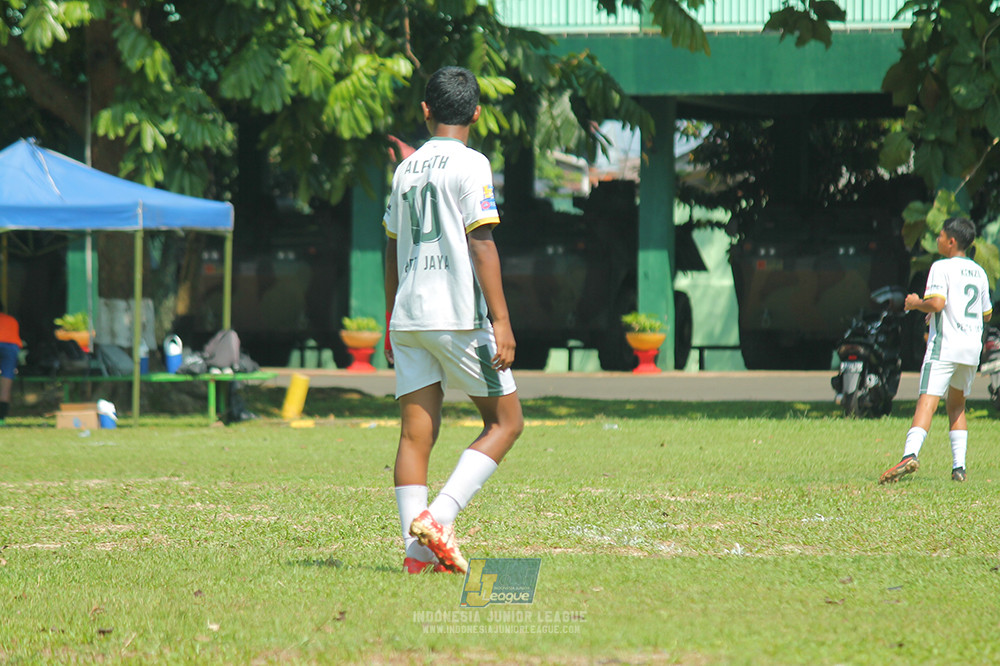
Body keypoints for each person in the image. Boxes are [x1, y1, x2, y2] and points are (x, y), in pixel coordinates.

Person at [383, 66, 524, 574]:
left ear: (425, 111)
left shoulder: (405, 170)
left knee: (415, 435)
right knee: (506, 422)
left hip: (410, 315)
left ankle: (415, 555)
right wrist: (501, 321)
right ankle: (438, 520)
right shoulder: (472, 164)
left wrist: (389, 313)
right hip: (459, 317)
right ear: (477, 113)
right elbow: (481, 242)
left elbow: (391, 244)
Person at [880, 217, 992, 484]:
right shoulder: (979, 272)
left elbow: (938, 303)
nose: (937, 240)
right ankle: (959, 468)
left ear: (951, 241)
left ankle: (910, 454)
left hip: (946, 346)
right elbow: (986, 314)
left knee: (927, 403)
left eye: (940, 236)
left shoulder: (941, 267)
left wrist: (917, 303)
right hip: (970, 349)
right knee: (957, 407)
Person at [0, 300, 22, 424]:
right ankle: (1, 418)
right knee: (6, 382)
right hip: (10, 349)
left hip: (9, 346)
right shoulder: (12, 320)